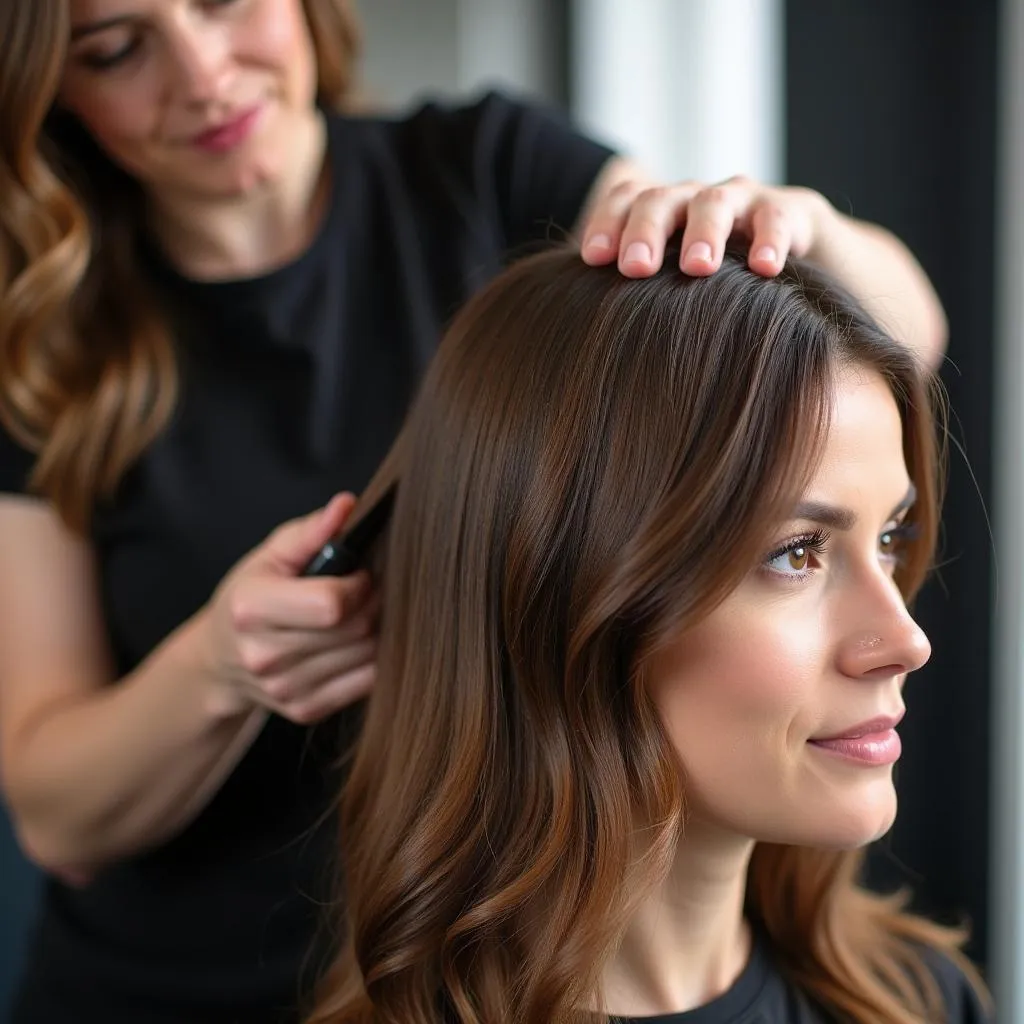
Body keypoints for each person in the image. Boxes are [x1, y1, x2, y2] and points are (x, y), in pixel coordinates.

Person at [0, 1, 949, 1022]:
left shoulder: (487, 170)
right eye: (114, 49)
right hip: (182, 986)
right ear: (49, 89)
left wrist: (797, 235)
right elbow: (57, 814)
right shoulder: (43, 340)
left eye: (225, 2)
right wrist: (222, 666)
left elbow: (895, 339)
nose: (200, 74)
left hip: (512, 943)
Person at [304, 245, 990, 1024]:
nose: (905, 639)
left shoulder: (925, 1000)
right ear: (565, 599)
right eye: (797, 553)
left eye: (891, 538)